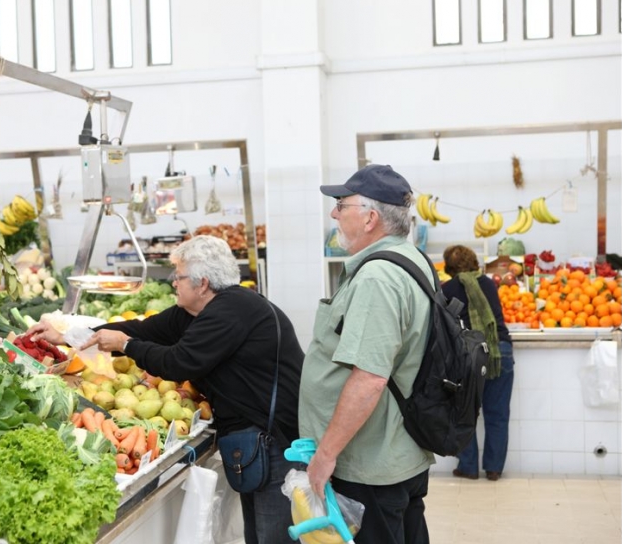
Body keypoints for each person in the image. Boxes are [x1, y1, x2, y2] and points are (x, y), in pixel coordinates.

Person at [29, 235, 305, 544]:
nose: (173, 281)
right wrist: (68, 336)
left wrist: (127, 346)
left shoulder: (233, 309)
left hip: (275, 440)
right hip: (253, 435)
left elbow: (179, 362)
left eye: (179, 275)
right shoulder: (194, 311)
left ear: (202, 283)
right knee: (259, 536)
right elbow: (142, 329)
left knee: (274, 537)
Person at [299, 164, 434, 544]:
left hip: (370, 464)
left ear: (370, 217)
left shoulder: (378, 278)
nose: (334, 213)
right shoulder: (411, 259)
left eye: (342, 205)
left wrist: (326, 454)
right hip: (398, 451)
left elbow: (370, 379)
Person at [441, 245, 514, 481]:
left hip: (467, 355)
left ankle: (468, 467)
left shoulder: (447, 289)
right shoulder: (489, 284)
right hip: (499, 351)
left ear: (449, 267)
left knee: (464, 413)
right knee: (498, 414)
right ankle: (494, 469)